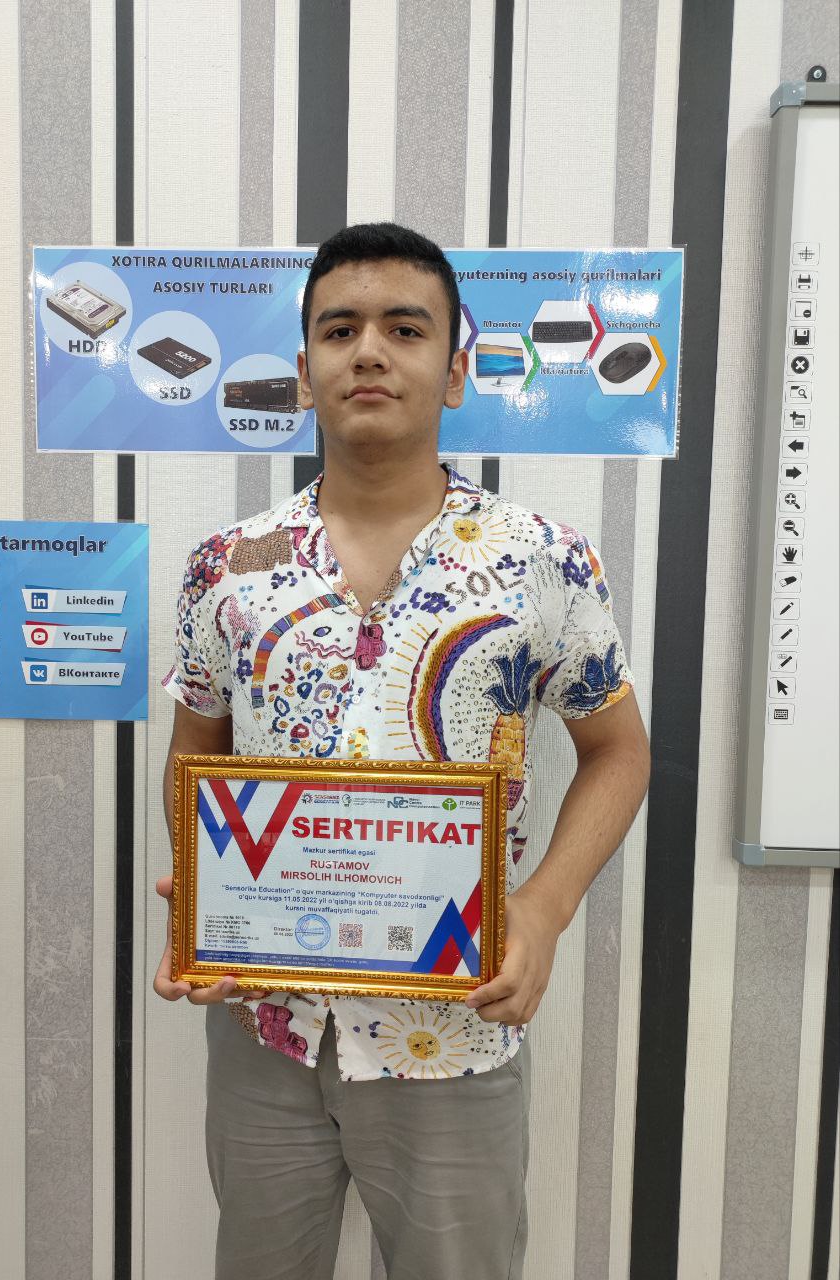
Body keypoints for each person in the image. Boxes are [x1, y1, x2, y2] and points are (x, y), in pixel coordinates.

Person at [156, 223, 651, 1279]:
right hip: (267, 1028)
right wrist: (206, 897)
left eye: (405, 328)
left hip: (454, 1031)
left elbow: (617, 750)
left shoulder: (542, 560)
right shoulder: (227, 568)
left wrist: (545, 909)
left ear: (455, 371)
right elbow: (197, 744)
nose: (369, 350)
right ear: (305, 373)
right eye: (339, 329)